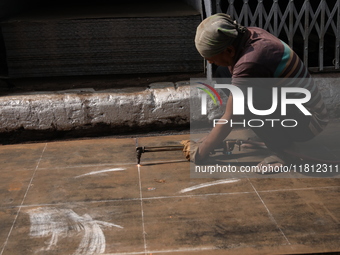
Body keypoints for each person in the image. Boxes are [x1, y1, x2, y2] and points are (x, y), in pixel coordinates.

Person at [190, 13, 328, 168]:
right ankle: (273, 135)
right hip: (295, 109)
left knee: (247, 101)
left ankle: (285, 151)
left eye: (212, 58)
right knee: (224, 74)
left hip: (308, 122)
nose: (209, 62)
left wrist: (202, 151)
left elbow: (231, 115)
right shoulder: (247, 34)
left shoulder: (250, 62)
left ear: (229, 50)